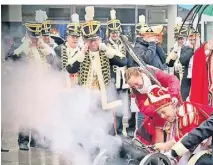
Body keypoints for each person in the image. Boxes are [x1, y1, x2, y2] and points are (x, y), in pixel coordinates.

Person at [148, 85, 213, 165]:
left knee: (187, 164)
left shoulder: (186, 110)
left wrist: (167, 146)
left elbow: (189, 137)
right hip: (192, 144)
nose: (162, 116)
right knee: (175, 164)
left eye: (163, 111)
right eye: (160, 113)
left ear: (171, 105)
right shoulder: (173, 118)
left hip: (204, 141)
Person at [7, 10, 55, 151]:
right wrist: (23, 47)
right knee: (25, 115)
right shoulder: (21, 46)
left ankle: (35, 140)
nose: (35, 39)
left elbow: (53, 62)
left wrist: (45, 48)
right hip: (25, 87)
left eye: (37, 36)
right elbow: (10, 58)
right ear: (27, 35)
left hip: (40, 86)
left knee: (38, 114)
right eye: (32, 37)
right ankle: (22, 140)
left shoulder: (42, 48)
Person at [65, 6, 127, 112]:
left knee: (106, 126)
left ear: (99, 39)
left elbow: (122, 61)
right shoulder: (81, 53)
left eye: (95, 40)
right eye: (90, 41)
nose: (93, 43)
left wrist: (107, 50)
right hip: (86, 98)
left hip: (104, 97)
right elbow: (70, 68)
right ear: (85, 41)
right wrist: (81, 54)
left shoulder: (106, 51)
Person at [125, 66, 181, 144]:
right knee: (157, 124)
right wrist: (158, 108)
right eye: (133, 86)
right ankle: (160, 151)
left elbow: (173, 79)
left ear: (140, 74)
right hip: (156, 115)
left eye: (136, 83)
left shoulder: (153, 74)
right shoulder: (136, 91)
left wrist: (173, 95)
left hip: (172, 106)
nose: (136, 87)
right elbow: (144, 108)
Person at [105, 9, 132, 135]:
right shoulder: (105, 45)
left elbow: (129, 61)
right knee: (112, 107)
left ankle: (121, 131)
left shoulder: (124, 43)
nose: (114, 34)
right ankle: (112, 131)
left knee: (122, 106)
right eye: (112, 32)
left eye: (116, 32)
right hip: (112, 80)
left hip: (123, 81)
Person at [54, 13, 82, 87]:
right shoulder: (58, 50)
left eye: (77, 37)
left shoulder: (82, 51)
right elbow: (55, 70)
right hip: (62, 85)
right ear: (67, 37)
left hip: (79, 89)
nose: (75, 39)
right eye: (73, 36)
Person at [179, 28, 200, 101]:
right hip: (187, 77)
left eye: (194, 40)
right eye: (191, 40)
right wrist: (192, 50)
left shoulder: (202, 48)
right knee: (185, 97)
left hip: (198, 77)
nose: (193, 42)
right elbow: (182, 60)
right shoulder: (185, 48)